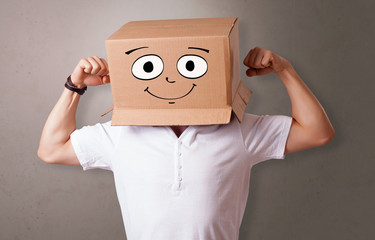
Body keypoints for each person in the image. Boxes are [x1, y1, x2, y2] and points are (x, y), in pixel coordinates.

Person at [38, 47, 334, 240]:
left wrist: (285, 69)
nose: (170, 80)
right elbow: (51, 149)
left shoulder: (240, 128)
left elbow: (316, 132)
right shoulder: (121, 133)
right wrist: (74, 86)